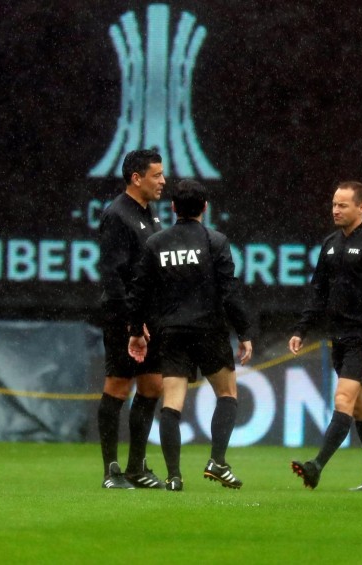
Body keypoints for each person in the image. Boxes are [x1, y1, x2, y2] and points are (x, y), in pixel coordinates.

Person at [127, 179, 254, 491]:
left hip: (170, 333)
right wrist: (245, 332)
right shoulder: (216, 241)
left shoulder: (156, 243)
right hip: (209, 330)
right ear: (205, 208)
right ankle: (217, 462)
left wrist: (135, 331)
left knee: (172, 404)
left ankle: (173, 477)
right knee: (227, 394)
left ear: (172, 208)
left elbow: (138, 292)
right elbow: (229, 291)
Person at [288, 181, 362, 491]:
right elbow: (318, 290)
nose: (335, 210)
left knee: (343, 399)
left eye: (343, 205)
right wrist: (302, 328)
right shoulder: (330, 244)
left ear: (361, 207)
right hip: (340, 338)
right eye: (334, 204)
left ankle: (316, 465)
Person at [97, 149, 166, 489]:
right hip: (123, 316)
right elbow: (112, 273)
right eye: (157, 175)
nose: (163, 181)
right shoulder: (117, 215)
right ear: (136, 178)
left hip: (148, 318)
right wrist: (130, 323)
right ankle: (111, 470)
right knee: (118, 385)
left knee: (153, 385)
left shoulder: (148, 216)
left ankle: (136, 466)